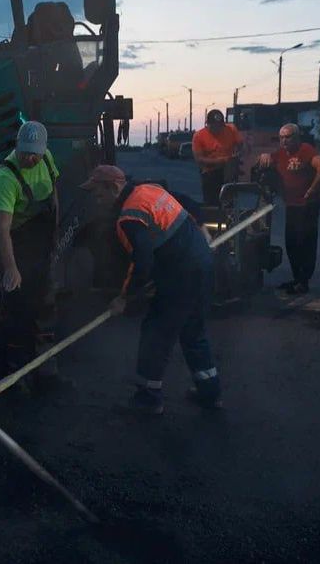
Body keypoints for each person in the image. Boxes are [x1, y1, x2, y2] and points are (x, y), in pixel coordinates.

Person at [80, 165, 221, 414]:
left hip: (180, 276)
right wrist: (201, 229)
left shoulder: (129, 217)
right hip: (203, 263)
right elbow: (188, 204)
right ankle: (210, 393)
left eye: (98, 193)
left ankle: (149, 397)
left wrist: (124, 298)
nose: (97, 199)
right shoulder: (150, 190)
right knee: (193, 330)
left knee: (156, 332)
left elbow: (142, 262)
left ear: (113, 188)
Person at [0, 121, 64, 388]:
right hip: (16, 244)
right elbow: (1, 230)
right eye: (25, 152)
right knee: (17, 308)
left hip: (42, 241)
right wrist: (11, 269)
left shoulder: (46, 158)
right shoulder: (5, 178)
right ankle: (17, 374)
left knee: (45, 303)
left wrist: (55, 235)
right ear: (17, 147)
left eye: (35, 153)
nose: (29, 158)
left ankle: (47, 368)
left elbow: (54, 191)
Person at [257, 123, 320, 295]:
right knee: (291, 243)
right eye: (282, 137)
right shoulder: (281, 154)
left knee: (305, 242)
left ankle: (303, 281)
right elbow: (265, 161)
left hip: (308, 205)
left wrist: (313, 189)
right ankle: (297, 278)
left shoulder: (305, 150)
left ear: (297, 137)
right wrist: (264, 155)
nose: (284, 141)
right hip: (291, 205)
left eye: (288, 137)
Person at [192, 109, 243, 206]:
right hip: (210, 172)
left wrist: (237, 152)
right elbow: (199, 159)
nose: (218, 129)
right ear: (208, 124)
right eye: (215, 127)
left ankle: (228, 217)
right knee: (212, 204)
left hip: (228, 172)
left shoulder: (231, 129)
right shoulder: (199, 136)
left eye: (220, 126)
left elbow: (240, 144)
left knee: (228, 203)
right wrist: (220, 161)